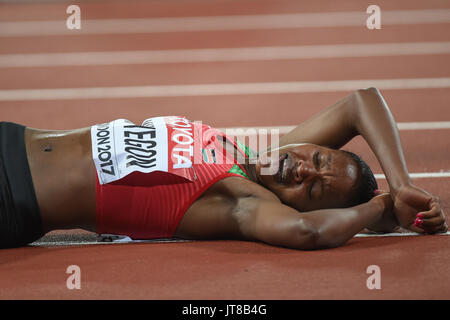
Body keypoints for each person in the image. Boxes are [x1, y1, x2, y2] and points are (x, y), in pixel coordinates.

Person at [0, 87, 447, 249]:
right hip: (13, 136)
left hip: (10, 197)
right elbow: (360, 101)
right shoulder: (256, 152)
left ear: (301, 206)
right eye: (320, 158)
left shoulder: (243, 201)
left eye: (313, 191)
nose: (305, 171)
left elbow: (306, 233)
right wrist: (403, 182)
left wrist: (382, 208)